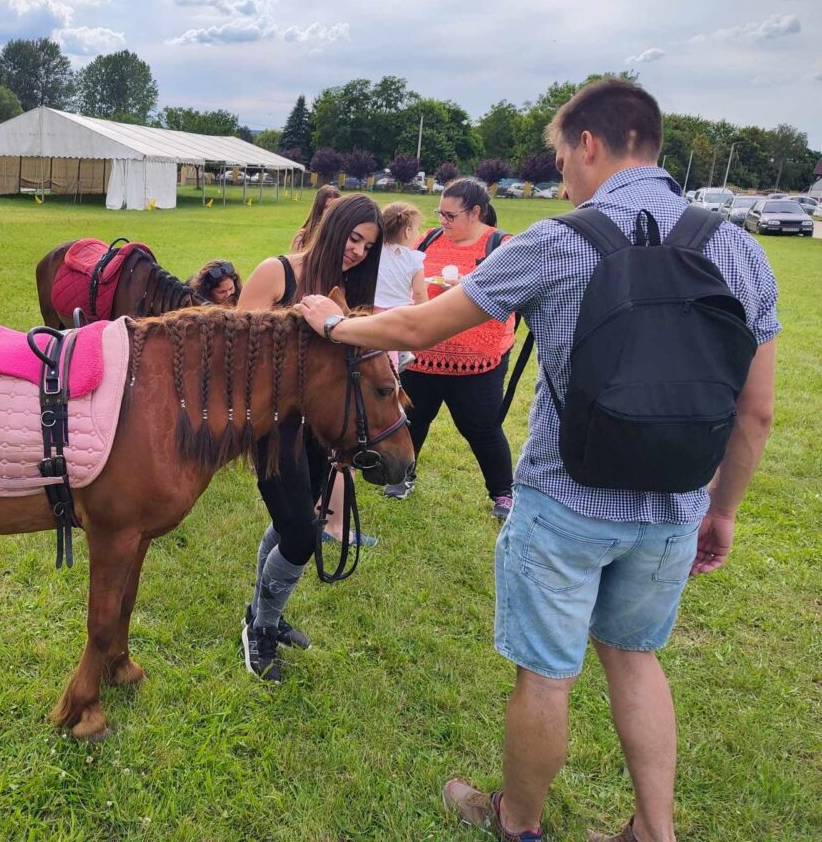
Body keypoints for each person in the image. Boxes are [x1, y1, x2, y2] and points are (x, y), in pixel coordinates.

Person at [300, 79, 779, 842]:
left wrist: (333, 323)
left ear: (590, 144)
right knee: (635, 660)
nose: (562, 178)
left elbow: (422, 328)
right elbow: (755, 410)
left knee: (546, 674)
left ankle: (518, 821)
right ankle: (655, 833)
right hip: (674, 507)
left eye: (562, 158)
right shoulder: (740, 250)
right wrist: (722, 510)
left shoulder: (557, 241)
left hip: (566, 500)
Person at [239, 193, 384, 682]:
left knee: (297, 521)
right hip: (273, 426)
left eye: (369, 246)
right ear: (334, 225)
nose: (359, 251)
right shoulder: (277, 272)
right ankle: (260, 629)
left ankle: (262, 616)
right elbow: (235, 354)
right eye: (355, 238)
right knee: (303, 534)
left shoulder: (347, 289)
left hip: (324, 430)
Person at [385, 178, 515, 520]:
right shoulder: (427, 239)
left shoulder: (501, 246)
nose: (442, 220)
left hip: (478, 362)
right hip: (424, 354)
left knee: (481, 427)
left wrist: (467, 288)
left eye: (450, 215)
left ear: (475, 212)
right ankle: (402, 477)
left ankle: (503, 492)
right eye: (439, 213)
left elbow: (511, 297)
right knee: (413, 417)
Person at [375, 201, 429, 373]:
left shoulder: (374, 252)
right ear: (407, 232)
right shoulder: (413, 259)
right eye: (417, 228)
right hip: (399, 315)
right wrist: (423, 314)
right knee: (391, 365)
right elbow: (420, 292)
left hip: (371, 312)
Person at [290, 184, 341, 252]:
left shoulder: (342, 234)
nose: (331, 211)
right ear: (319, 208)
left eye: (334, 207)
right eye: (326, 207)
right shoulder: (302, 236)